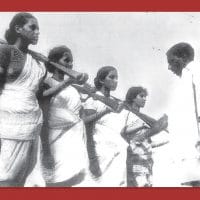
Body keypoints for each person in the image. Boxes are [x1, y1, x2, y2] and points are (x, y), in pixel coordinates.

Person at [0, 12, 46, 186]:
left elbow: (38, 93)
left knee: (24, 176)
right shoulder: (6, 51)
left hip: (32, 123)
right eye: (32, 27)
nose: (37, 32)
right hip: (8, 122)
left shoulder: (38, 63)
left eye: (38, 28)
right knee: (6, 176)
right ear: (18, 29)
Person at [39, 45, 89, 187]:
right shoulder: (47, 84)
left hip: (74, 143)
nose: (70, 64)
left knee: (72, 183)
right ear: (54, 62)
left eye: (71, 61)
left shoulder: (73, 89)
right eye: (66, 60)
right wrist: (47, 151)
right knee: (56, 183)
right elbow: (43, 117)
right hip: (55, 143)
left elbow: (81, 116)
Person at [81, 66, 128, 187]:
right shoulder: (93, 100)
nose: (116, 80)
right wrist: (92, 159)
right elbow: (87, 128)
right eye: (112, 77)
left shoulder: (115, 102)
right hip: (101, 153)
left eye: (117, 77)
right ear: (101, 80)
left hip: (118, 153)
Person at [162, 42, 200, 186]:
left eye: (172, 61)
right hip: (189, 150)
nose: (169, 67)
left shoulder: (194, 71)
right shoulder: (184, 78)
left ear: (183, 57)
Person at [120, 86, 168, 187]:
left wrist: (161, 141)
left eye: (145, 96)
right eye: (141, 96)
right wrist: (140, 129)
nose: (144, 99)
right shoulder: (127, 114)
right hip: (135, 158)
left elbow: (147, 140)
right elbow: (122, 133)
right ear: (133, 98)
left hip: (147, 157)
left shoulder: (143, 117)